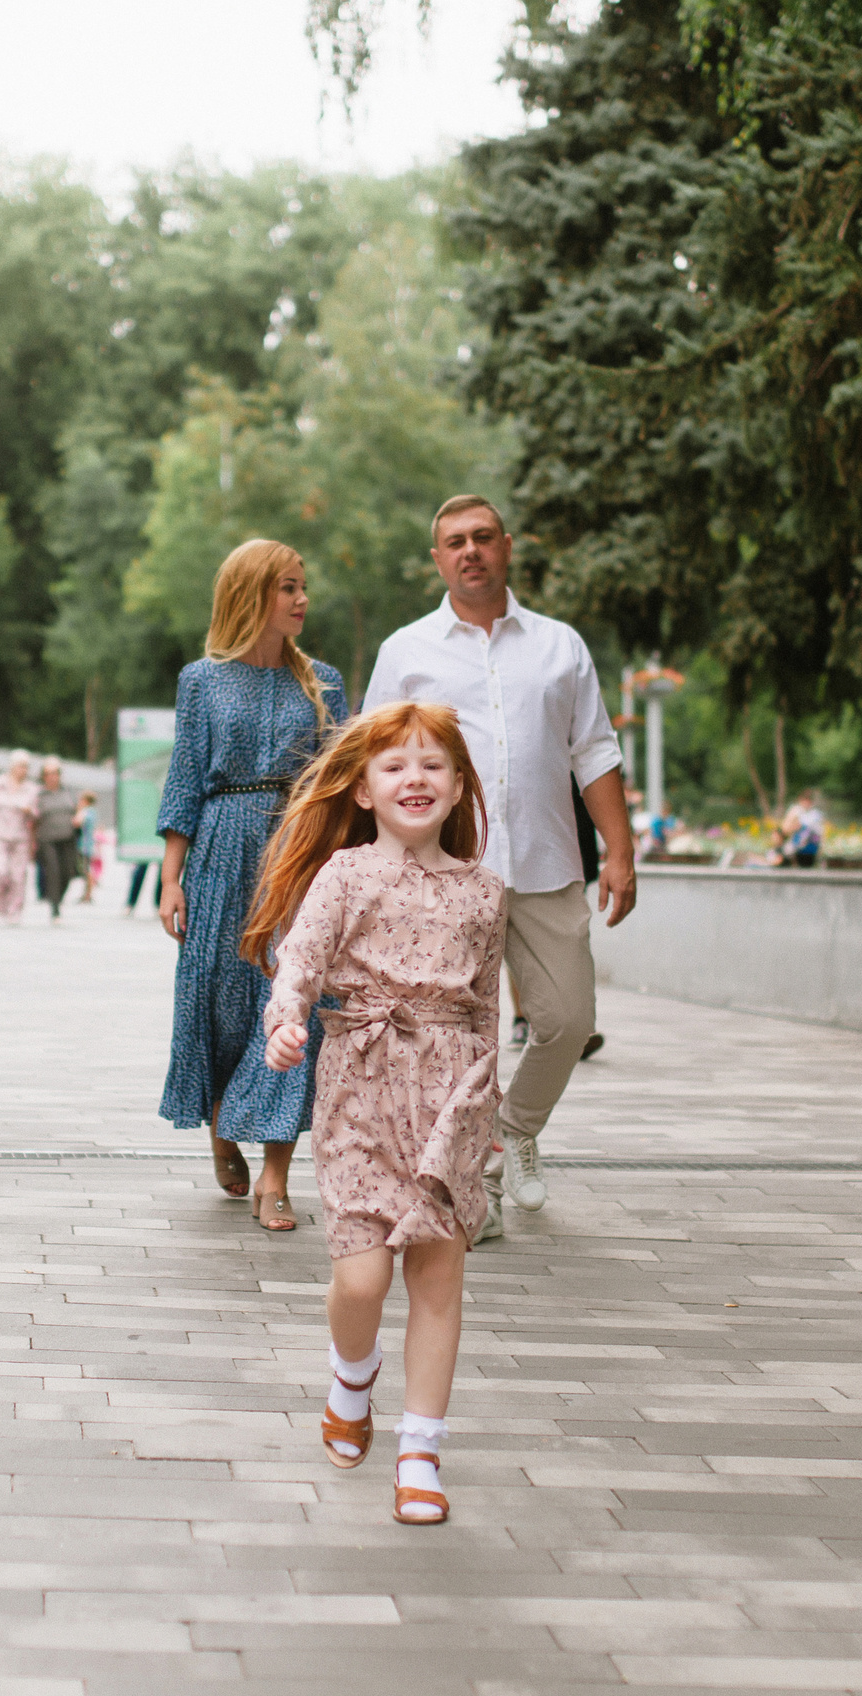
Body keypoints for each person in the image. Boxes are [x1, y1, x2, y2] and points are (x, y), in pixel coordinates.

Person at [253, 700, 501, 1525]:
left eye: (434, 765)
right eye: (395, 765)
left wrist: (487, 1107)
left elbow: (488, 1007)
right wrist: (286, 1021)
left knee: (438, 1274)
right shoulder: (347, 874)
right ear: (362, 790)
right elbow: (300, 961)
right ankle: (351, 1378)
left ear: (460, 786)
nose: (415, 779)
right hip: (358, 1082)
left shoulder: (484, 892)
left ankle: (421, 1449)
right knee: (362, 1275)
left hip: (450, 1098)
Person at [363, 496, 635, 1241]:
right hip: (445, 873)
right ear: (437, 558)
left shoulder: (559, 647)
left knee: (568, 1019)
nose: (470, 551)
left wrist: (619, 848)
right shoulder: (406, 651)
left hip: (548, 863)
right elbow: (375, 762)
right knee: (456, 1036)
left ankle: (512, 1130)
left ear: (508, 548)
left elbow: (594, 751)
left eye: (483, 537)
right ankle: (467, 1187)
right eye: (454, 541)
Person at [157, 539, 348, 1230]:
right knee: (217, 1001)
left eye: (303, 587)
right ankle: (219, 1120)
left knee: (291, 1004)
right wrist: (170, 879)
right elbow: (184, 779)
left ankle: (276, 1175)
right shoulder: (201, 681)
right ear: (251, 593)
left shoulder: (323, 682)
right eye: (287, 587)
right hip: (219, 847)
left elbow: (339, 781)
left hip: (297, 850)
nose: (301, 599)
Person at [0, 754, 41, 924]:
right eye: (21, 766)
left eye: (26, 767)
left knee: (18, 876)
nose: (24, 770)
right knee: (0, 872)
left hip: (21, 837)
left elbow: (37, 815)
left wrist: (30, 812)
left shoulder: (32, 788)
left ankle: (14, 911)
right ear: (12, 766)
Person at [34, 760, 79, 922]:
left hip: (68, 837)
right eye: (49, 774)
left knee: (68, 872)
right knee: (53, 871)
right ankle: (54, 908)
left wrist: (79, 818)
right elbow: (33, 819)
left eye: (56, 773)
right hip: (47, 839)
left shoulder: (68, 792)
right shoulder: (39, 794)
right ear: (43, 776)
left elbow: (78, 809)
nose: (53, 777)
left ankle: (58, 898)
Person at [778, 788, 825, 868]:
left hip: (811, 846)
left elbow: (820, 834)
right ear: (800, 799)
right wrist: (795, 827)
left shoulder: (816, 814)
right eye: (805, 799)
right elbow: (784, 829)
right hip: (796, 845)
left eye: (809, 800)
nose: (807, 802)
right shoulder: (795, 811)